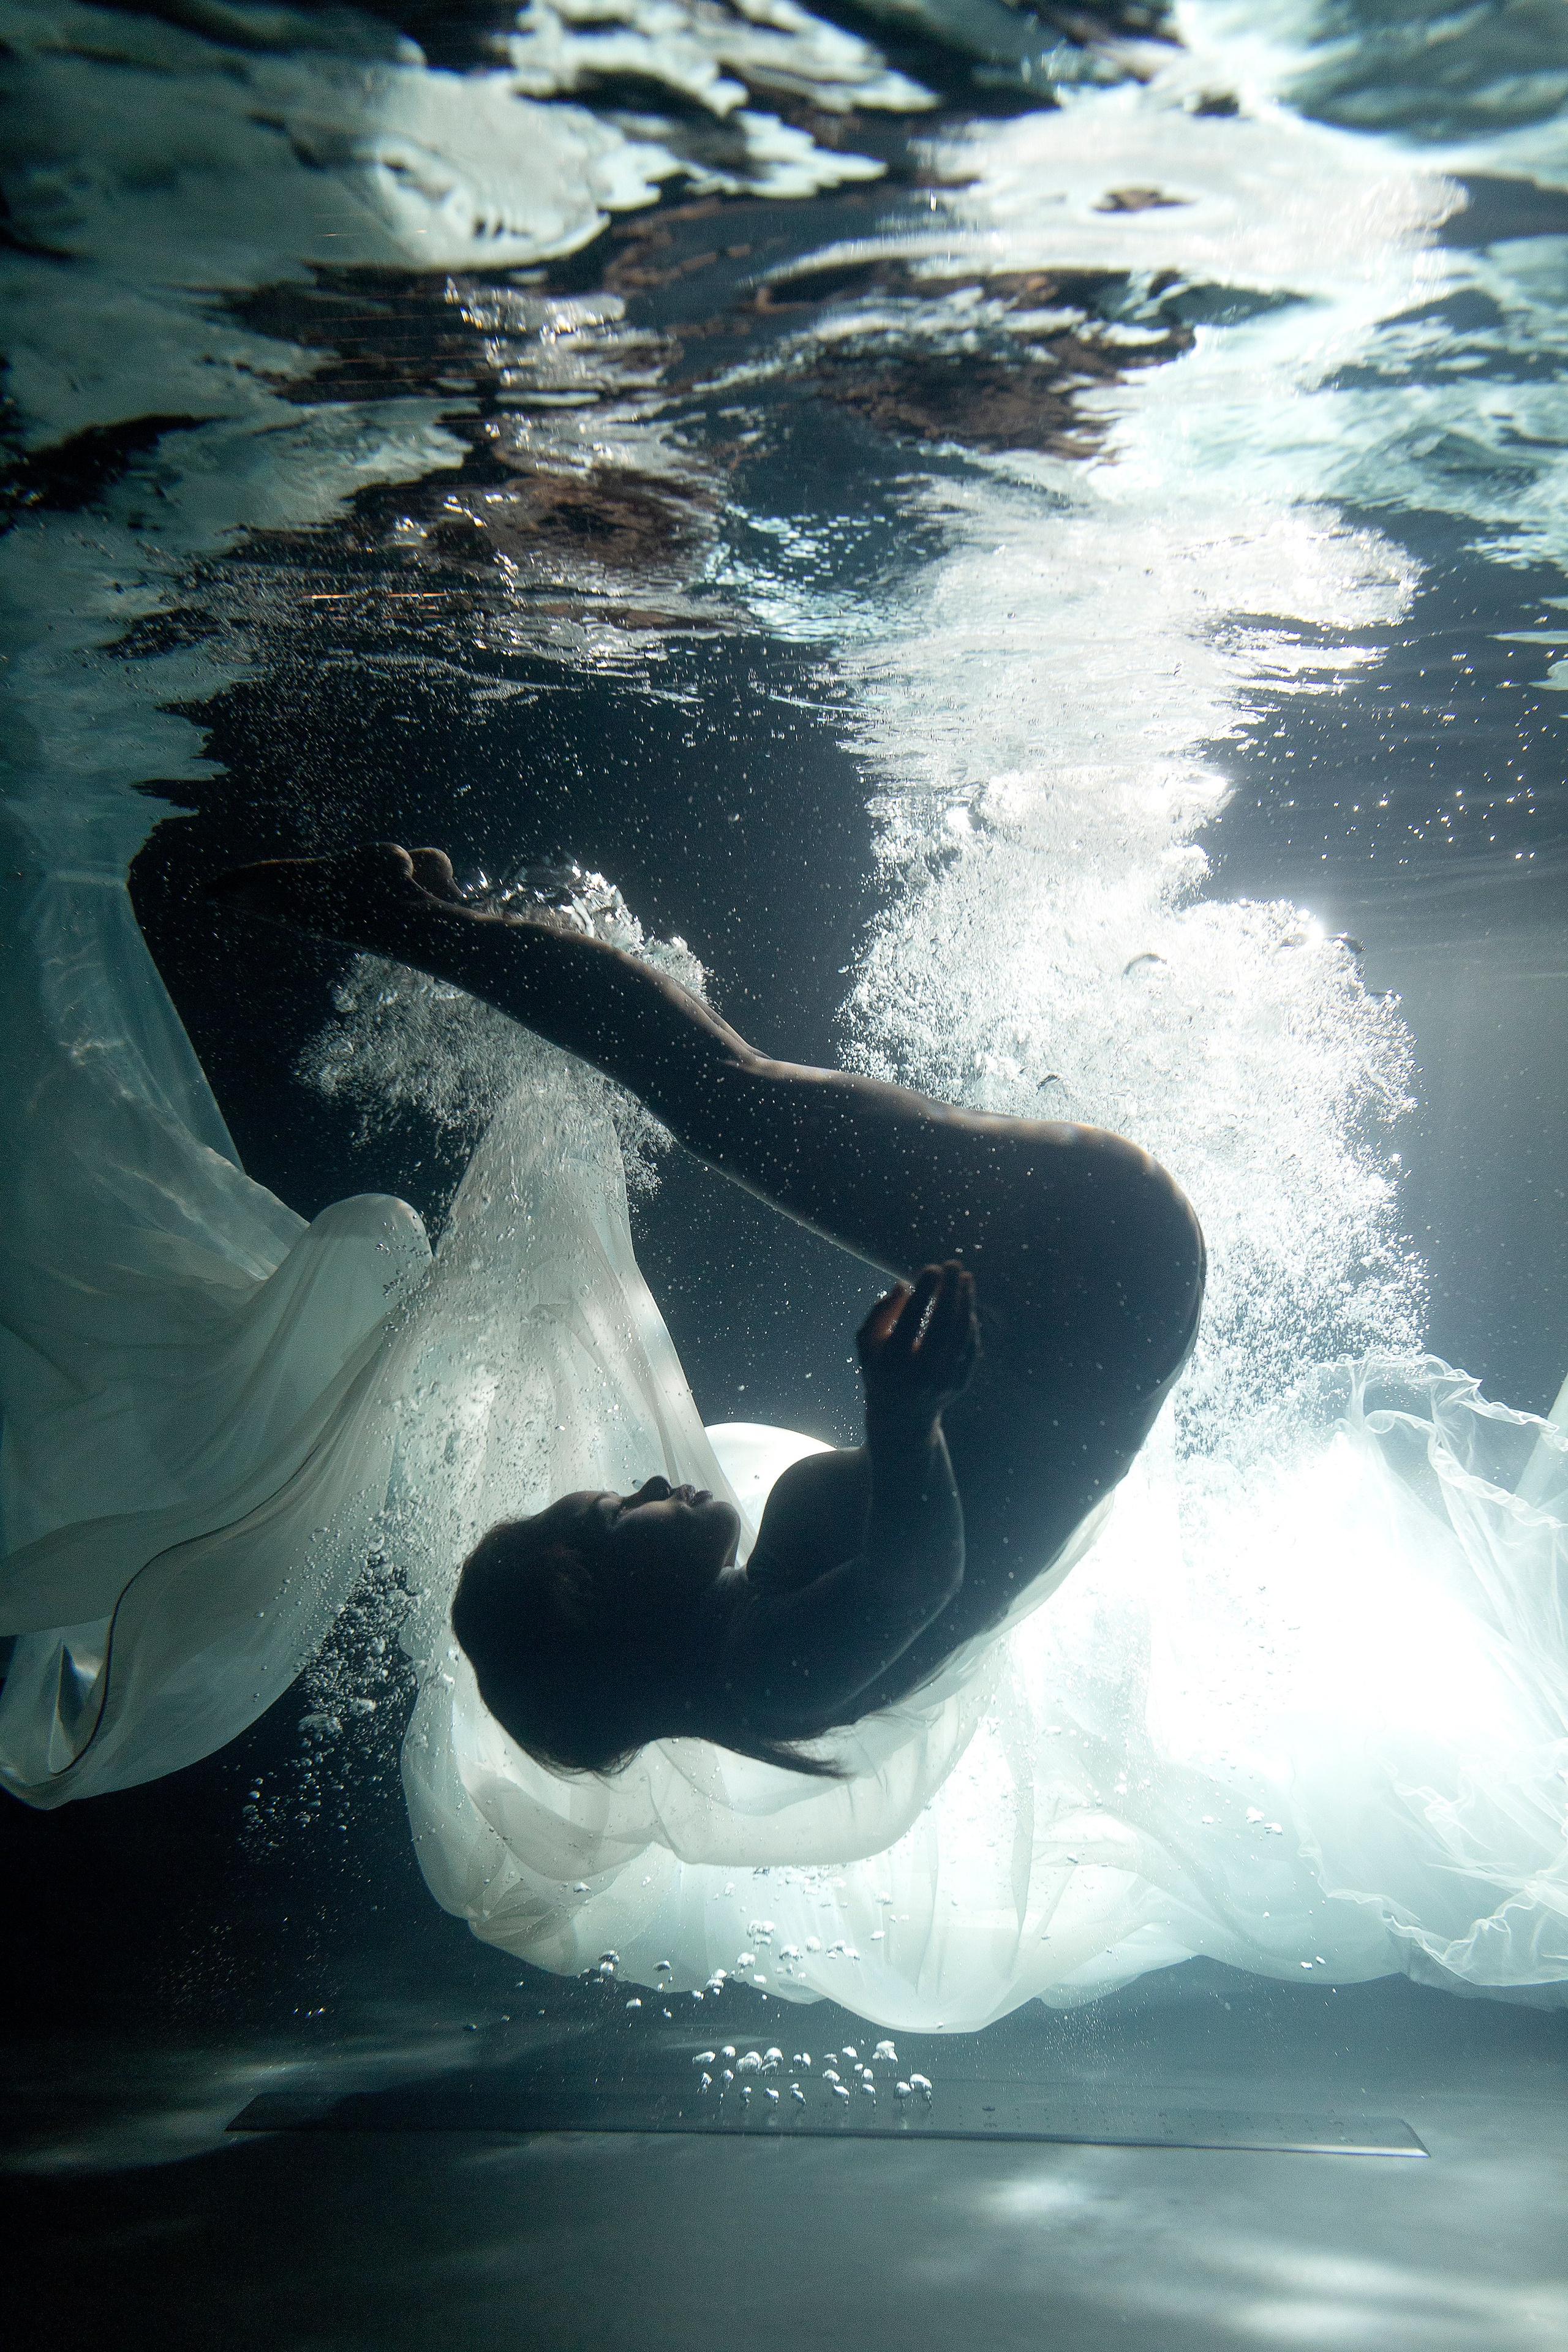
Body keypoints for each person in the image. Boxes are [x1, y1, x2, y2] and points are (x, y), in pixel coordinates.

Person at [208, 843, 1205, 1777]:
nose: (648, 1480)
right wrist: (905, 1421)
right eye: (614, 1510)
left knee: (724, 1099)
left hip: (1093, 1301)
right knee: (718, 1095)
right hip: (1092, 1285)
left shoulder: (759, 1653)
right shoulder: (769, 1682)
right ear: (587, 1596)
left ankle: (420, 917)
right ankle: (404, 916)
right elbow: (917, 1583)